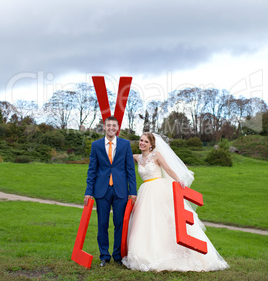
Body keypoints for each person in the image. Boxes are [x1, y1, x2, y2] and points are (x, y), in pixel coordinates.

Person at [122, 132, 229, 272]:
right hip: (145, 191)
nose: (142, 143)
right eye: (141, 140)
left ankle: (176, 252)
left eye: (145, 142)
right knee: (145, 221)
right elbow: (120, 158)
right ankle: (145, 252)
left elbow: (167, 169)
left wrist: (178, 180)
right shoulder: (136, 157)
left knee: (165, 220)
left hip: (158, 189)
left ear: (151, 145)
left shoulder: (156, 156)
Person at [84, 116, 137, 267]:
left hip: (120, 190)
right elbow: (92, 170)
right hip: (101, 191)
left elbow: (130, 170)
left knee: (119, 223)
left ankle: (118, 255)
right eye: (109, 125)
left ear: (118, 127)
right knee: (102, 224)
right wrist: (88, 191)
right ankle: (104, 256)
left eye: (114, 125)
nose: (111, 128)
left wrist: (132, 191)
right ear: (105, 127)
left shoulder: (125, 144)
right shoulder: (96, 145)